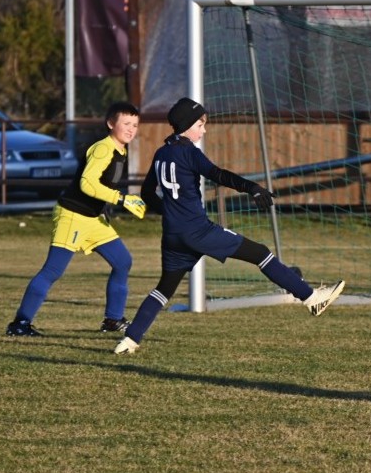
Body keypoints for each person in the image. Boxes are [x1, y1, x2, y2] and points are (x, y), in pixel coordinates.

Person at [113, 97, 345, 354]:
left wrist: (169, 212)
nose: (204, 129)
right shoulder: (189, 152)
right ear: (188, 125)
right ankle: (311, 298)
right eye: (201, 124)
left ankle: (130, 340)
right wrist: (252, 188)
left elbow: (147, 193)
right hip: (199, 231)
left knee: (164, 289)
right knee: (260, 253)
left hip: (173, 235)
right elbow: (219, 175)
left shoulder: (161, 153)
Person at [6, 102, 146, 337]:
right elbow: (87, 183)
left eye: (135, 124)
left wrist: (108, 207)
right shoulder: (103, 148)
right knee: (52, 270)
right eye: (126, 124)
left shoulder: (120, 149)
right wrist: (121, 199)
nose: (131, 129)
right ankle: (20, 324)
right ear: (111, 124)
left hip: (92, 218)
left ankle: (112, 320)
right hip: (72, 215)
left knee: (122, 262)